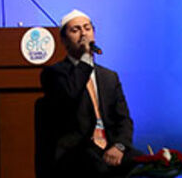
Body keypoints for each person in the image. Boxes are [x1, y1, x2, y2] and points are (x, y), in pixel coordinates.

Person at [38, 9, 137, 178]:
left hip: (111, 147)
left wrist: (119, 146)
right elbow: (70, 96)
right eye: (75, 30)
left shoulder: (109, 77)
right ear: (63, 40)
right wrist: (85, 59)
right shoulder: (54, 73)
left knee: (150, 166)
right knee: (98, 169)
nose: (83, 34)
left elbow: (124, 119)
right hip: (76, 151)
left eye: (87, 28)